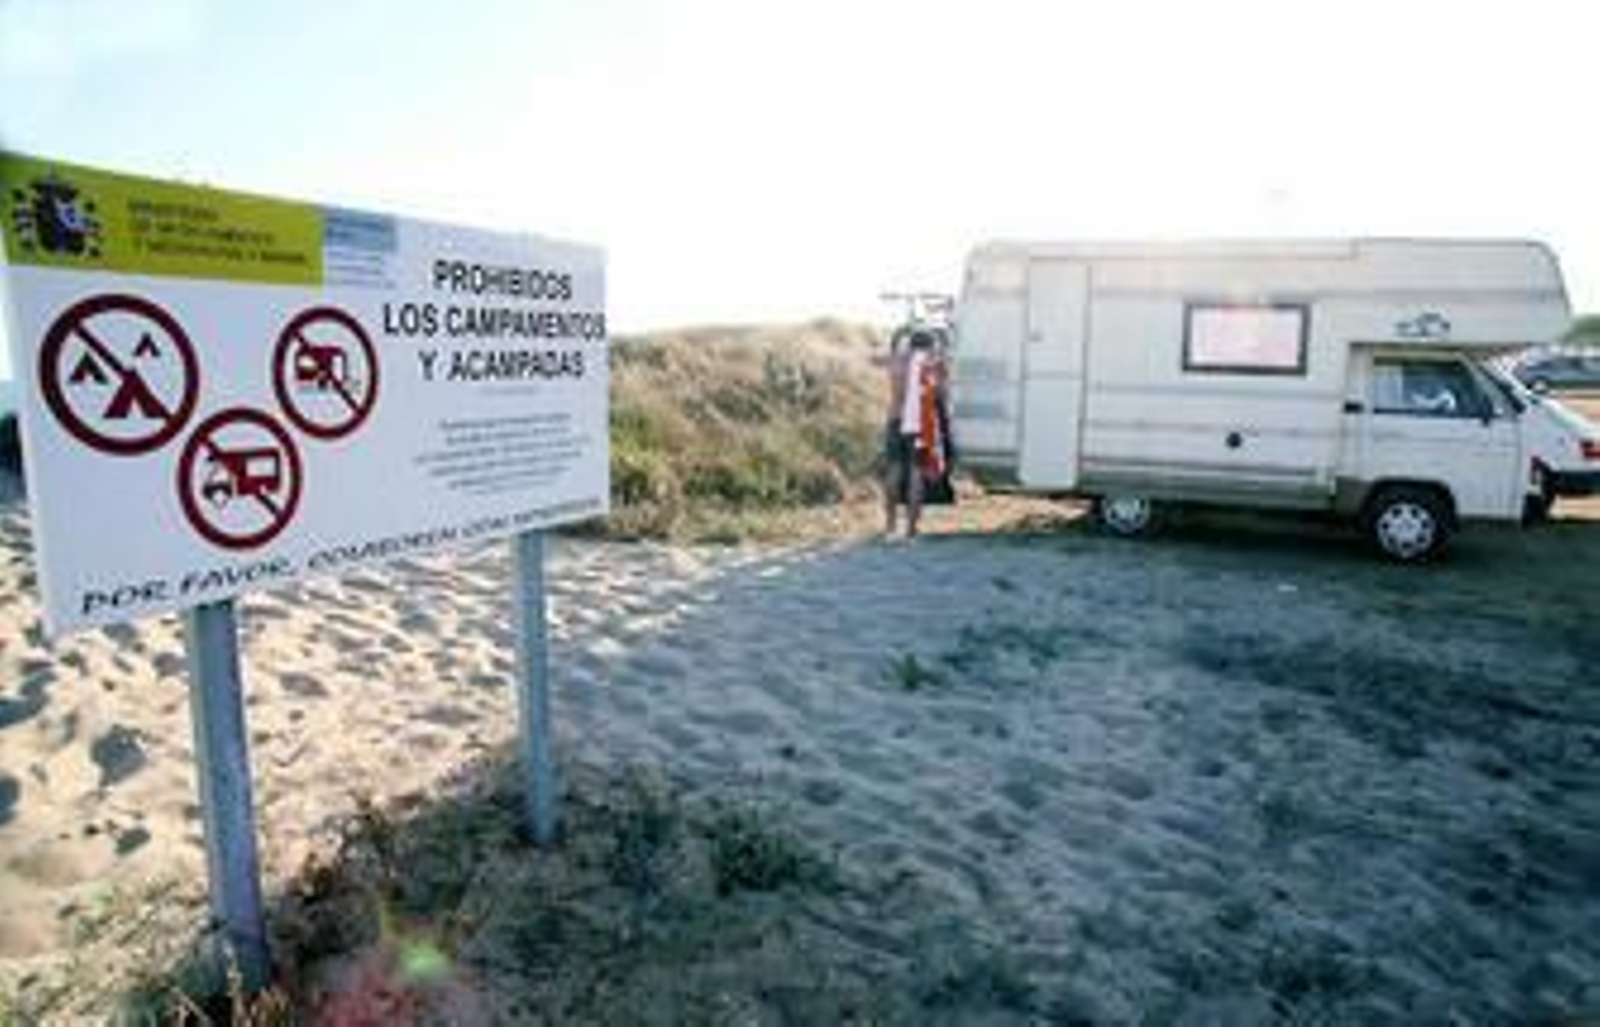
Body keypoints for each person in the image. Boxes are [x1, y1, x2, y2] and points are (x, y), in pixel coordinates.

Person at [882, 329, 936, 537]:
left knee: (893, 472)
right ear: (927, 346)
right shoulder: (925, 364)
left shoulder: (897, 363)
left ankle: (890, 526)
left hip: (895, 420)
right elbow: (936, 390)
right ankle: (912, 528)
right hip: (916, 424)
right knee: (916, 473)